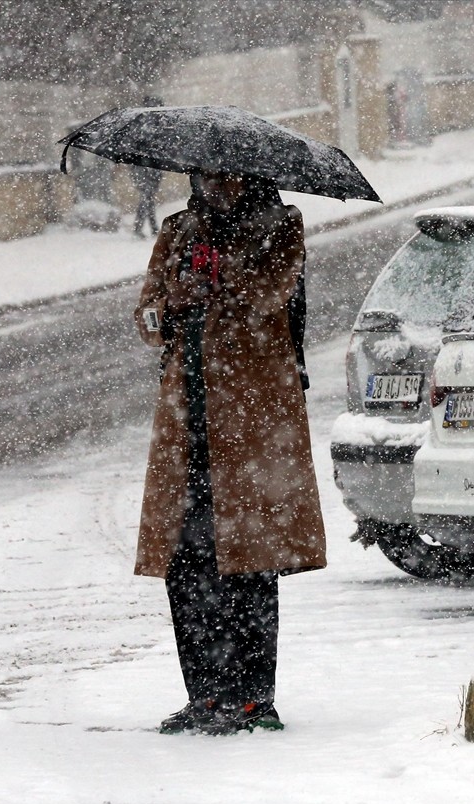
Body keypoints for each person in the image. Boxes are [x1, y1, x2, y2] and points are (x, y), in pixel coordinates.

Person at [132, 170, 327, 735]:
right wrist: (172, 301)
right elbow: (146, 320)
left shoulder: (279, 227)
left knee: (247, 561)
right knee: (186, 563)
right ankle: (204, 696)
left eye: (225, 175)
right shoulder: (176, 230)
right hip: (186, 422)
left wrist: (219, 279)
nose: (212, 184)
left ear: (250, 176)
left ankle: (251, 698)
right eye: (203, 174)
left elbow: (272, 294)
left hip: (252, 420)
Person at [131, 165, 163, 238]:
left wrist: (155, 182)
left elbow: (158, 172)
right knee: (146, 204)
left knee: (148, 204)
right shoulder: (141, 159)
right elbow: (135, 171)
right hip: (145, 183)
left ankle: (151, 229)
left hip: (149, 183)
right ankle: (141, 228)